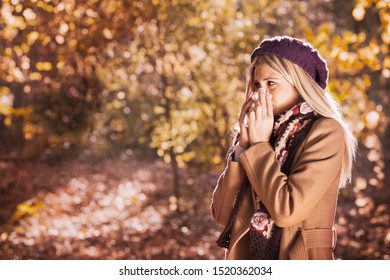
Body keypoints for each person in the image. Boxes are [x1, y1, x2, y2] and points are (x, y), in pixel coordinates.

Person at [211, 36, 357, 260]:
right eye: (257, 85)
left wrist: (259, 146)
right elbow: (221, 214)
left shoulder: (326, 131)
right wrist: (243, 146)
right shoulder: (261, 132)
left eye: (271, 83)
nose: (262, 93)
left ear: (300, 85)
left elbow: (287, 211)